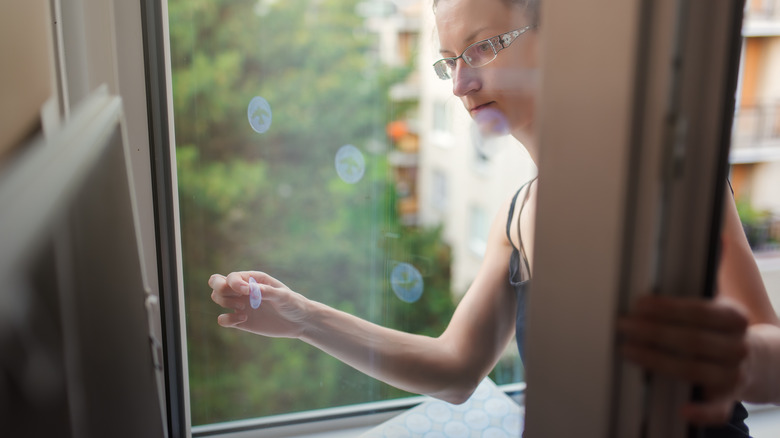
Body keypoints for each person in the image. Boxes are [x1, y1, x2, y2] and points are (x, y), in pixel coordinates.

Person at [210, 0, 780, 433]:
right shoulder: (517, 216)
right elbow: (456, 367)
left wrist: (740, 358)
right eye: (449, 62)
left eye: (482, 48)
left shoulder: (664, 179)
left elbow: (772, 359)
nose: (461, 84)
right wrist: (302, 317)